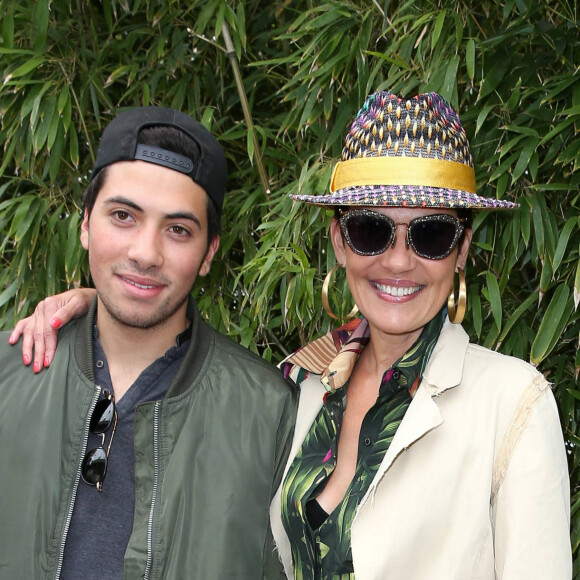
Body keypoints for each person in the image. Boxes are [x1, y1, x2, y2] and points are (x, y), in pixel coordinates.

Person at [11, 92, 572, 579]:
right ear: (339, 241)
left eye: (431, 235)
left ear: (463, 250)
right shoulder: (297, 388)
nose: (398, 261)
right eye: (371, 229)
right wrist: (93, 306)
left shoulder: (512, 403)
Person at [0, 106, 297, 579]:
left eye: (178, 230)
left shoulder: (268, 414)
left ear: (208, 255)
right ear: (84, 224)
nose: (145, 253)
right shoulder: (10, 375)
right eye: (123, 216)